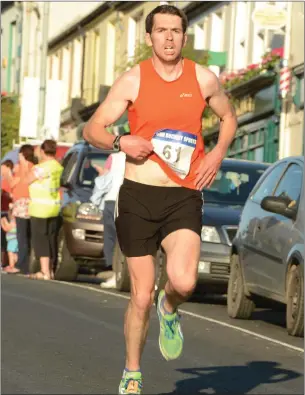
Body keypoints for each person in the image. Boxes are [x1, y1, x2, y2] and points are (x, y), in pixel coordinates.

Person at [83, 5, 237, 394]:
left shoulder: (203, 79)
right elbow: (92, 129)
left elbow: (229, 118)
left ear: (185, 37)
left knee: (183, 282)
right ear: (148, 37)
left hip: (183, 195)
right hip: (138, 196)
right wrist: (121, 141)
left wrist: (217, 154)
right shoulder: (132, 81)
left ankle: (170, 307)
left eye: (175, 31)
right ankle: (132, 373)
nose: (169, 37)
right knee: (139, 295)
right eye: (161, 30)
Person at [25, 140, 63, 280]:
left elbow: (27, 180)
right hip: (53, 206)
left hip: (40, 208)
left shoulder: (42, 167)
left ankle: (44, 271)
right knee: (51, 238)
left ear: (42, 151)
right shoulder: (58, 167)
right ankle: (51, 271)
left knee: (40, 239)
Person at [7, 145, 37, 274]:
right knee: (25, 234)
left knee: (22, 235)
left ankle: (21, 264)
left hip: (23, 202)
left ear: (23, 154)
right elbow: (13, 183)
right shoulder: (26, 167)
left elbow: (18, 182)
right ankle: (25, 263)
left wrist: (10, 174)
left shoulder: (29, 167)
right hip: (23, 202)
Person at [1, 160, 14, 268]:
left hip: (8, 212)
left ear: (8, 167)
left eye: (2, 168)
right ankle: (5, 260)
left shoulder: (10, 180)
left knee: (7, 237)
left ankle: (7, 261)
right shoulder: (4, 180)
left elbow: (12, 194)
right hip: (3, 210)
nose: (1, 170)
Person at [1, 204, 19, 273]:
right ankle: (15, 265)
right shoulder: (15, 221)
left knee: (10, 253)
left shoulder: (13, 221)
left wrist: (3, 222)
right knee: (15, 253)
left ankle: (12, 266)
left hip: (12, 240)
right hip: (13, 240)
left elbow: (6, 228)